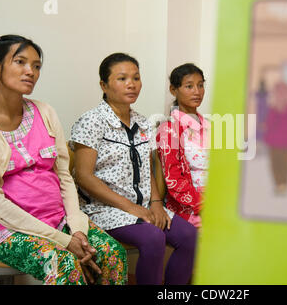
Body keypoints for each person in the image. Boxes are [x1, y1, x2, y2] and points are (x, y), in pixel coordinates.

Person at [0, 35, 127, 285]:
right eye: (20, 62)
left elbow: (64, 177)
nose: (31, 72)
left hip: (59, 220)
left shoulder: (45, 112)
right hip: (5, 228)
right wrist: (65, 241)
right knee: (63, 265)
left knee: (113, 254)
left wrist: (77, 229)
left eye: (36, 66)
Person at [70, 53, 197, 285]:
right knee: (153, 238)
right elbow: (84, 177)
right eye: (122, 78)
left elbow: (147, 170)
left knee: (190, 237)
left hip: (144, 206)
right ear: (104, 85)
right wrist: (132, 208)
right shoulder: (91, 121)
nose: (131, 84)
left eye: (136, 78)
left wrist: (156, 204)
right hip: (103, 209)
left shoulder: (143, 122)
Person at [156, 63, 210, 228]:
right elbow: (174, 179)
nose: (197, 91)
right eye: (189, 86)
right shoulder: (168, 130)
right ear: (174, 90)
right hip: (190, 207)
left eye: (200, 85)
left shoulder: (209, 125)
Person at [263, 63, 287, 196]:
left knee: (275, 164)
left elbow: (269, 123)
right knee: (285, 164)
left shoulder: (274, 109)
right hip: (286, 142)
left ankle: (279, 184)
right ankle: (284, 184)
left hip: (274, 143)